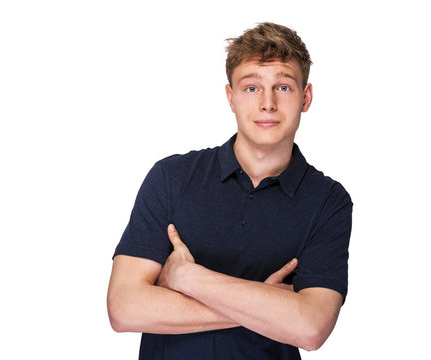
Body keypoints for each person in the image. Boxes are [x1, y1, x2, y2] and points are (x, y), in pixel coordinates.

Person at [107, 22, 352, 359]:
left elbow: (311, 328)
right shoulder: (172, 177)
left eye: (283, 86)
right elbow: (125, 308)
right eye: (251, 88)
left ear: (305, 97)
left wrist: (188, 279)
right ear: (231, 97)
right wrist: (271, 306)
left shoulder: (328, 201)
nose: (267, 103)